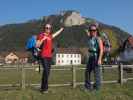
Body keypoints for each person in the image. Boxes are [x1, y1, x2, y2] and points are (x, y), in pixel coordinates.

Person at [36, 24, 64, 93]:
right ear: (44, 28)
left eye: (49, 28)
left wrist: (60, 30)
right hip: (43, 56)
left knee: (47, 73)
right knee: (45, 71)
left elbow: (55, 34)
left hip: (49, 56)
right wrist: (43, 39)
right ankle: (44, 89)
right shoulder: (41, 35)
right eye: (46, 28)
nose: (48, 29)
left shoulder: (50, 36)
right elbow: (37, 45)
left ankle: (44, 88)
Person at [84, 24, 103, 91]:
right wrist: (86, 31)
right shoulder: (90, 37)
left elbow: (101, 49)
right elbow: (88, 34)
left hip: (96, 57)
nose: (93, 31)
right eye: (91, 30)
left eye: (94, 30)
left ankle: (97, 88)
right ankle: (88, 86)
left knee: (96, 73)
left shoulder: (98, 38)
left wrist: (99, 59)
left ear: (96, 31)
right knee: (87, 72)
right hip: (91, 57)